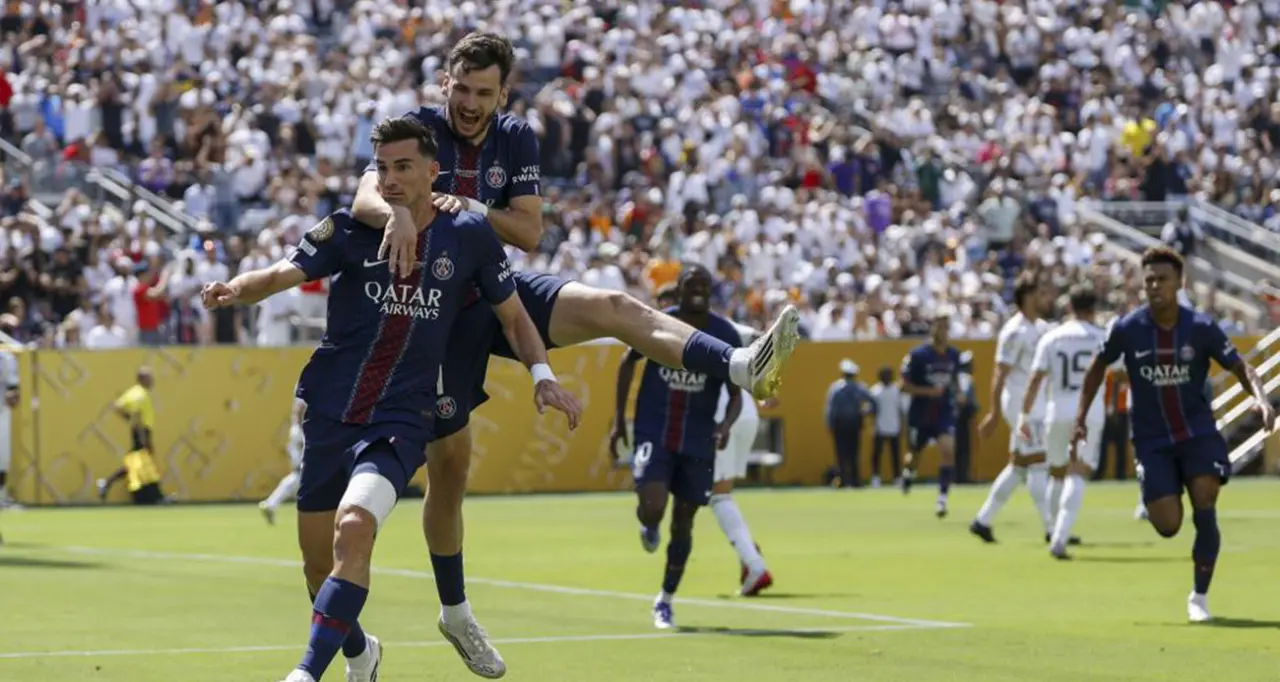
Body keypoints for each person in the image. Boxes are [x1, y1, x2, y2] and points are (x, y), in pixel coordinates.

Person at [350, 31, 799, 676]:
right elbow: (366, 195)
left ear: (504, 94)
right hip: (434, 313)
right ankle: (455, 611)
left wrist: (470, 208)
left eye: (484, 93)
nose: (470, 103)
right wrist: (397, 213)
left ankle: (739, 364)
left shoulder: (515, 137)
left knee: (613, 305)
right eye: (462, 89)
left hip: (496, 290)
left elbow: (529, 230)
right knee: (450, 471)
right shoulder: (418, 128)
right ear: (445, 83)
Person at [202, 115, 582, 682]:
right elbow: (283, 272)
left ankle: (305, 673)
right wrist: (235, 289)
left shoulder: (468, 236)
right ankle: (361, 653)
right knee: (317, 567)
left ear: (433, 171)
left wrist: (542, 374)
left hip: (402, 417)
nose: (391, 178)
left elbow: (513, 316)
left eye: (404, 166)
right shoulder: (349, 229)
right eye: (382, 168)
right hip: (331, 410)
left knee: (355, 526)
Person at [1074, 246, 1275, 623]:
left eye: (1162, 279)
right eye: (1149, 280)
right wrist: (1081, 416)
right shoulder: (1127, 328)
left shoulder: (1200, 327)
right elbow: (1097, 367)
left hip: (1197, 431)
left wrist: (1262, 400)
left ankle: (1199, 596)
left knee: (1205, 498)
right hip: (1152, 439)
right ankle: (1155, 483)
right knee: (1168, 525)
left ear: (1179, 283)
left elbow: (1241, 367)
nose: (1154, 286)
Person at [609, 265, 744, 628]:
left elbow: (736, 393)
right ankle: (648, 524)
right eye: (690, 285)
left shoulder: (724, 334)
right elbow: (627, 363)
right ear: (679, 289)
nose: (697, 290)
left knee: (684, 522)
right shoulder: (657, 321)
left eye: (703, 285)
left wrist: (725, 425)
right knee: (653, 507)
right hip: (655, 430)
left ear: (711, 290)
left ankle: (665, 599)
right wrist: (619, 419)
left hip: (699, 439)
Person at [1019, 286, 1107, 560]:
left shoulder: (1051, 336)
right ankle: (1059, 537)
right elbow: (1120, 371)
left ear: (1069, 307)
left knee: (1057, 473)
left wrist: (1024, 415)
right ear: (1093, 309)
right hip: (1089, 411)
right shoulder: (1101, 337)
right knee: (1077, 472)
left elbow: (1035, 379)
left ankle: (1053, 529)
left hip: (1056, 410)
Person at [970, 273, 1056, 544]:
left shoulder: (1041, 328)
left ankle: (982, 520)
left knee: (1018, 468)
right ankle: (1052, 529)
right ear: (1027, 297)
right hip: (1021, 406)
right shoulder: (1014, 331)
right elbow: (1000, 373)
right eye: (1039, 293)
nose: (1044, 298)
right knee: (1039, 464)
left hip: (1036, 404)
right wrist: (994, 412)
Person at [711, 318, 772, 597]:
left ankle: (754, 564)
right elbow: (762, 339)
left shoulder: (689, 322)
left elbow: (762, 338)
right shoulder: (723, 324)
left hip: (722, 413)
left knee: (718, 496)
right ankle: (749, 551)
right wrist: (763, 382)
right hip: (745, 410)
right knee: (719, 494)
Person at [899, 313, 962, 518]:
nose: (943, 331)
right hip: (921, 412)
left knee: (948, 450)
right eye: (939, 326)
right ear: (932, 328)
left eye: (946, 327)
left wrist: (959, 393)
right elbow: (903, 386)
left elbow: (954, 380)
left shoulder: (953, 354)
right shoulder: (918, 355)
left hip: (943, 411)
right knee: (914, 454)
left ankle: (942, 498)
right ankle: (909, 473)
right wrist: (928, 391)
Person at [96, 367, 167, 505]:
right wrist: (143, 436)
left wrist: (126, 417)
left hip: (140, 431)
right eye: (149, 378)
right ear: (142, 379)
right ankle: (158, 496)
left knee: (136, 465)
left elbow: (117, 406)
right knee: (145, 463)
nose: (152, 381)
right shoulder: (140, 395)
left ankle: (107, 482)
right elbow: (137, 415)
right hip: (141, 431)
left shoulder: (134, 392)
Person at [259, 398, 307, 525]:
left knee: (294, 481)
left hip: (301, 444)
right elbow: (299, 410)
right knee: (296, 479)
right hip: (303, 450)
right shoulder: (299, 430)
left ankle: (271, 505)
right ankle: (270, 505)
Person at [825, 359, 870, 488]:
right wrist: (865, 412)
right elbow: (873, 402)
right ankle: (855, 481)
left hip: (840, 424)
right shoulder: (860, 387)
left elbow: (831, 409)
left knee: (841, 453)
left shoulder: (835, 388)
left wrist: (830, 424)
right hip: (855, 423)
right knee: (854, 453)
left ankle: (843, 480)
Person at [868, 366, 903, 488]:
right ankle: (875, 478)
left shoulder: (897, 390)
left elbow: (901, 410)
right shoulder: (875, 391)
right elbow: (871, 410)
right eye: (884, 375)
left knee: (895, 455)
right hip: (880, 427)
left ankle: (897, 478)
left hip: (894, 427)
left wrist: (902, 425)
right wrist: (872, 425)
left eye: (889, 375)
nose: (887, 378)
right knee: (876, 455)